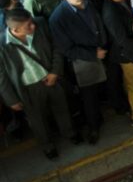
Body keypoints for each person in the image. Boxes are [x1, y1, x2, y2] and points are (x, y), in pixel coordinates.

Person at [0, 8, 76, 159]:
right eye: (28, 26)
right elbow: (1, 75)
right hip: (28, 89)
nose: (33, 26)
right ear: (15, 29)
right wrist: (11, 99)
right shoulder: (2, 45)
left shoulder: (40, 24)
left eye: (32, 22)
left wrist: (55, 72)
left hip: (51, 78)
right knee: (37, 121)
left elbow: (56, 48)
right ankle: (47, 145)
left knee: (62, 108)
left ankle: (69, 133)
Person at [48, 0, 108, 144]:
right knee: (89, 97)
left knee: (100, 90)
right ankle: (93, 127)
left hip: (101, 51)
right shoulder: (58, 18)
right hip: (83, 61)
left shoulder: (89, 2)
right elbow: (65, 48)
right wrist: (93, 54)